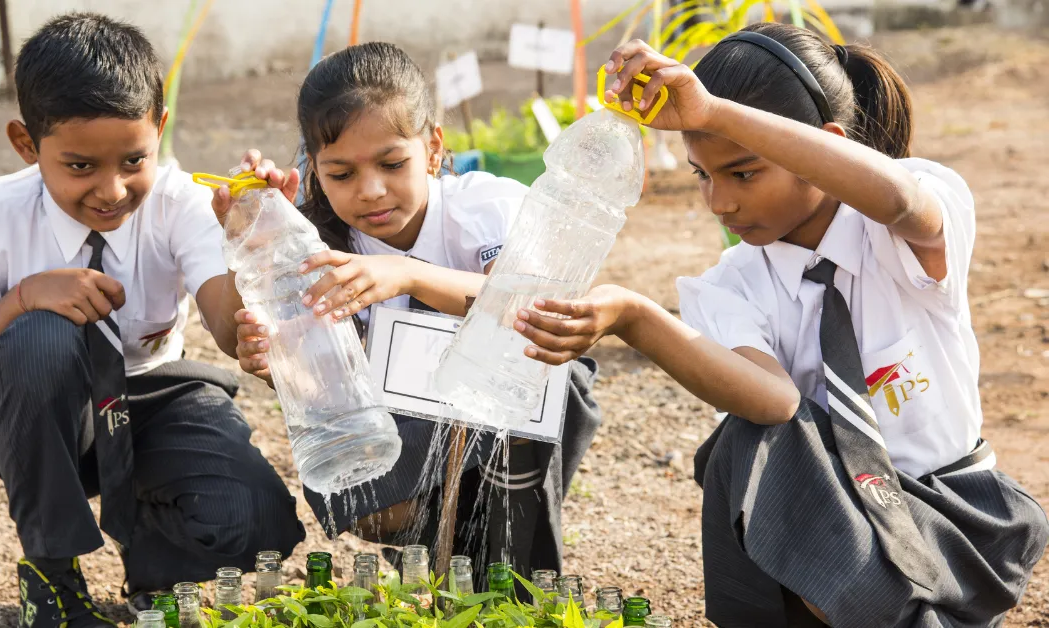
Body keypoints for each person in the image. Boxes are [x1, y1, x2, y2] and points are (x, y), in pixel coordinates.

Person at [513, 23, 1048, 626]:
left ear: (821, 149)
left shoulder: (908, 224)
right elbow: (773, 402)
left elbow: (900, 200)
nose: (720, 203)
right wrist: (636, 318)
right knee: (741, 442)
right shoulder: (731, 284)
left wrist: (715, 110)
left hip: (954, 520)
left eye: (743, 173)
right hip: (846, 531)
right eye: (703, 175)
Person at [0, 13, 304, 627]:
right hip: (38, 416)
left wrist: (253, 241)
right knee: (41, 338)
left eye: (133, 160)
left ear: (160, 131)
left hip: (153, 399)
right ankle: (52, 572)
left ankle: (157, 567)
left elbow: (226, 328)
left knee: (256, 519)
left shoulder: (182, 205)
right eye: (80, 166)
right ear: (26, 145)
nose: (112, 190)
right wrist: (22, 299)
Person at [223, 42, 601, 587]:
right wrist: (275, 355)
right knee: (395, 503)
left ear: (432, 147)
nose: (371, 190)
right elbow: (318, 384)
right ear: (313, 168)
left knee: (545, 390)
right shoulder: (313, 246)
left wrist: (411, 276)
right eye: (341, 173)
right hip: (402, 425)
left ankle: (513, 591)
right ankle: (445, 561)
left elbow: (539, 312)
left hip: (504, 406)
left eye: (392, 163)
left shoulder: (488, 209)